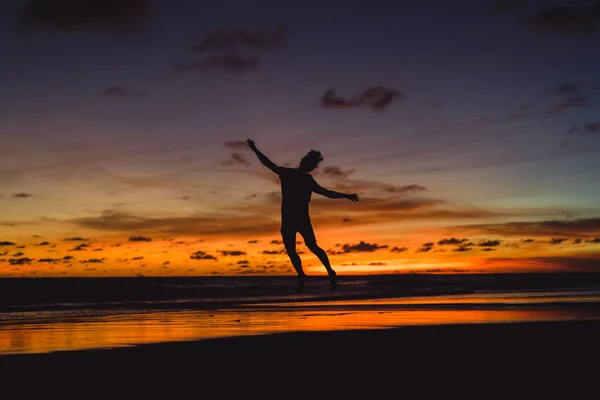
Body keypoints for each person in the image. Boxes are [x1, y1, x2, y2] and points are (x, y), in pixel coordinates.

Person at [247, 139, 359, 288]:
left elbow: (326, 192)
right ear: (303, 162)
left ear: (310, 167)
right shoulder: (287, 173)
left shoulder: (307, 179)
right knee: (291, 250)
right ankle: (301, 275)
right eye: (307, 163)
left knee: (312, 246)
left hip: (301, 219)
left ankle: (329, 272)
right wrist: (255, 150)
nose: (307, 166)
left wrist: (345, 195)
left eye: (310, 165)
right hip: (287, 219)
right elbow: (268, 163)